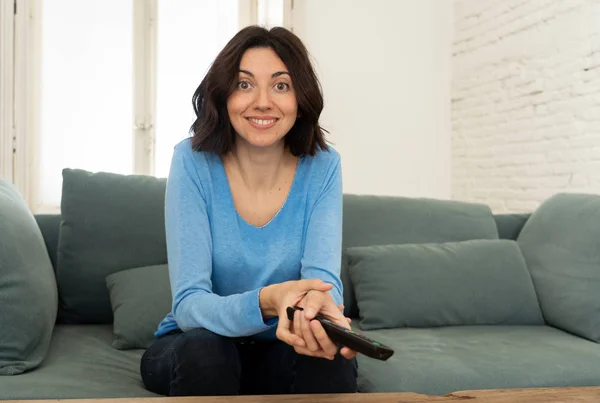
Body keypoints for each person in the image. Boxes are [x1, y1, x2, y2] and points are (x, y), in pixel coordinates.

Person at [140, 25, 358, 397]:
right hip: (195, 344)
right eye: (244, 84)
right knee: (207, 351)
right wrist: (268, 300)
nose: (262, 102)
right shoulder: (192, 161)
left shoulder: (324, 165)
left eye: (280, 85)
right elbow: (189, 304)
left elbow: (321, 282)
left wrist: (322, 308)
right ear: (223, 94)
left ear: (300, 98)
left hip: (281, 349)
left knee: (331, 355)